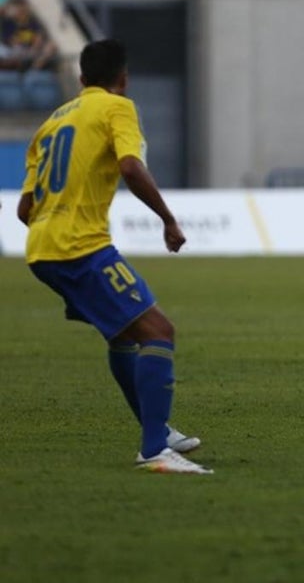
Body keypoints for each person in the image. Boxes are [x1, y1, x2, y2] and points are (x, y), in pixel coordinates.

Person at [16, 39, 211, 474]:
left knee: (123, 335)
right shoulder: (116, 107)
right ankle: (155, 450)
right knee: (159, 330)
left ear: (82, 79)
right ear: (122, 79)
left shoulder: (51, 123)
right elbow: (129, 166)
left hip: (41, 248)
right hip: (79, 245)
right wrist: (168, 219)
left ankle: (156, 428)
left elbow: (24, 209)